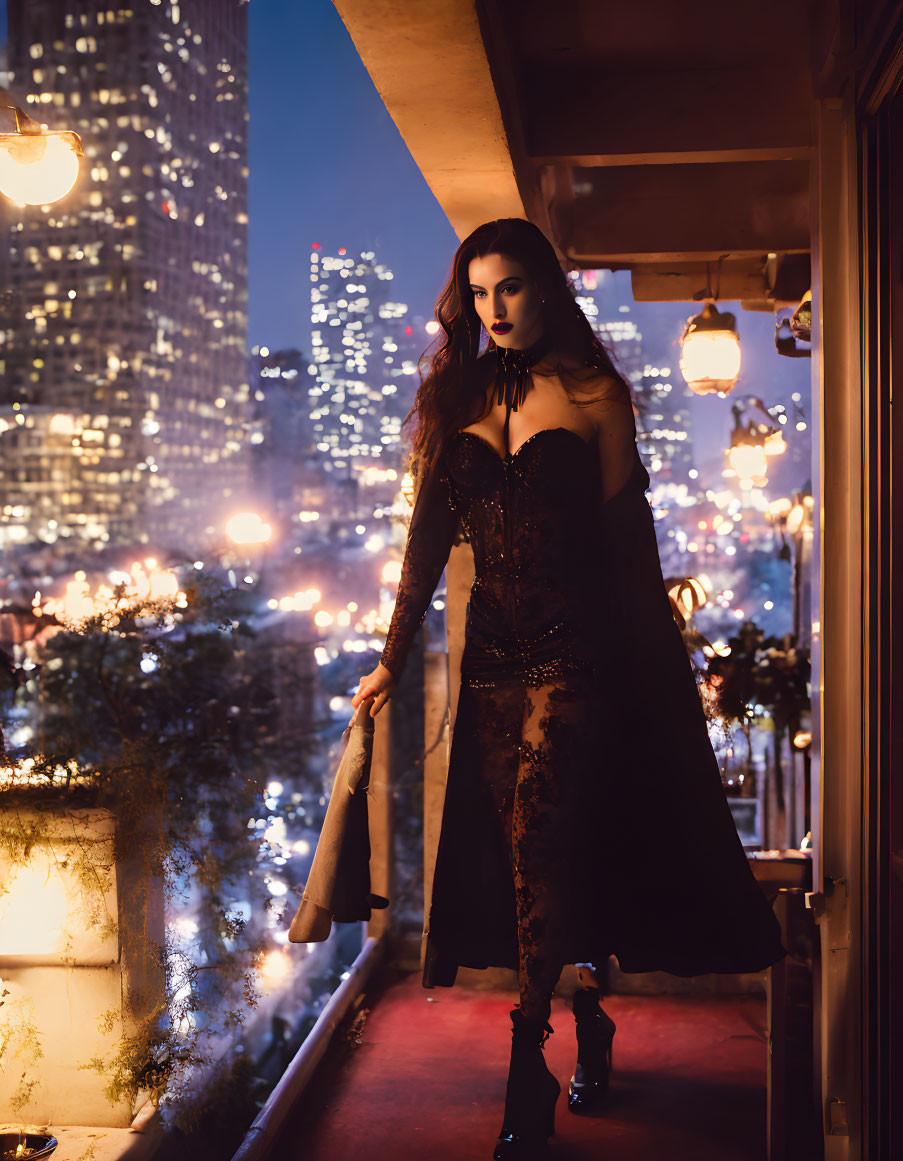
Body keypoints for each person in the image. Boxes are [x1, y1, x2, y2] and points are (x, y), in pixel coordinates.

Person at [351, 218, 786, 1159]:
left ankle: (525, 1062)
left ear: (544, 287)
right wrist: (391, 655)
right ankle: (587, 1006)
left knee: (546, 826)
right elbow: (425, 543)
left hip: (580, 652)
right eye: (476, 293)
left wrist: (660, 664)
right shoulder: (455, 395)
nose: (493, 308)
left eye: (508, 287)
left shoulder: (595, 394)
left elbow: (630, 544)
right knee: (530, 855)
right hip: (490, 661)